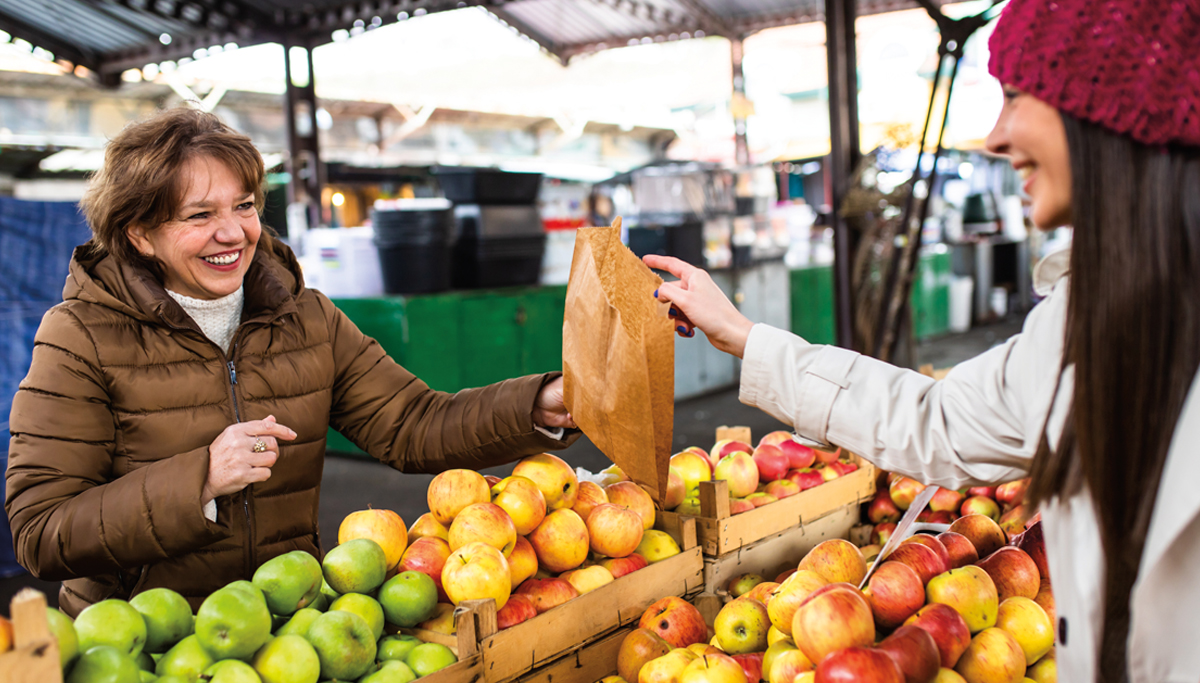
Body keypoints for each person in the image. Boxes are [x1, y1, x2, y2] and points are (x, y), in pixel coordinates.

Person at [648, 1, 1200, 681]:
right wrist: (742, 336)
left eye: (1018, 96)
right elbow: (936, 422)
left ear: (1111, 106)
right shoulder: (1085, 317)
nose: (996, 136)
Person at [4, 107, 579, 616]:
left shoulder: (307, 318)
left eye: (245, 205)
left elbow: (414, 424)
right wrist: (200, 478)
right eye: (199, 215)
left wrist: (540, 403)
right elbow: (40, 531)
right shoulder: (80, 336)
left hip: (293, 630)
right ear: (140, 235)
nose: (232, 232)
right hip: (152, 643)